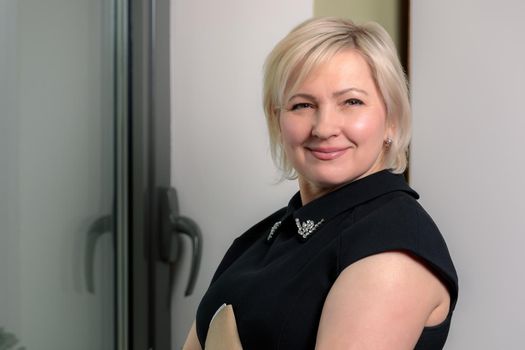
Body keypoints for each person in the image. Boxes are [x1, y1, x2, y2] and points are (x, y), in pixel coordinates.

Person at [183, 17, 458, 350]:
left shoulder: (393, 245)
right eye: (303, 105)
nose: (324, 127)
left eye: (351, 102)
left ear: (392, 120)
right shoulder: (264, 237)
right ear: (277, 119)